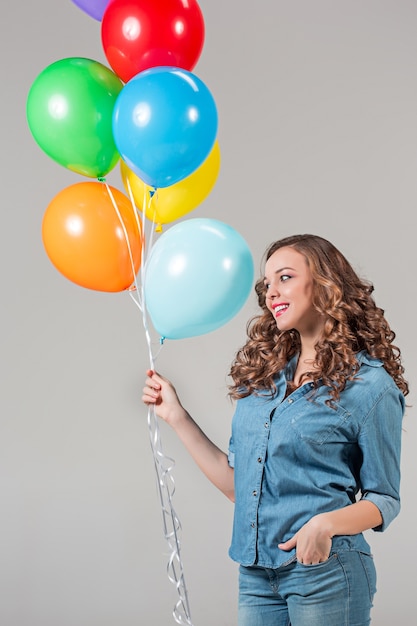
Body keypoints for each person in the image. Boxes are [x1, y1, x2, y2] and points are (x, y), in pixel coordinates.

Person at [142, 233, 408, 626]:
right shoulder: (263, 381)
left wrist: (325, 524)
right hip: (256, 575)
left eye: (284, 277)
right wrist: (177, 416)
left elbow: (385, 498)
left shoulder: (370, 387)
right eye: (267, 284)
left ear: (325, 284)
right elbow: (239, 486)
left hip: (326, 573)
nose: (270, 293)